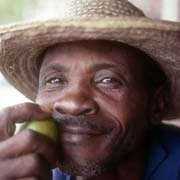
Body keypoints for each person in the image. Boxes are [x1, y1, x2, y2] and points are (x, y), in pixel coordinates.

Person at [0, 0, 180, 179]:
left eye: (108, 80)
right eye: (54, 80)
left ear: (156, 104)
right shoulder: (29, 170)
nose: (73, 104)